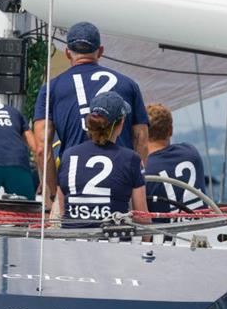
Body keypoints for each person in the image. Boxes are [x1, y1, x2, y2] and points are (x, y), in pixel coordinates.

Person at [34, 21, 149, 203]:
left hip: (73, 187)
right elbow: (141, 140)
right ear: (100, 51)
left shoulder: (51, 88)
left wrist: (55, 193)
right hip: (121, 184)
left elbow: (42, 149)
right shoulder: (129, 85)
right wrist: (137, 190)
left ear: (66, 52)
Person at [57, 91, 151, 228]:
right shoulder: (131, 159)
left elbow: (63, 212)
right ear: (121, 123)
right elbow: (142, 218)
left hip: (70, 242)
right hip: (113, 244)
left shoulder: (68, 156)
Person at [145, 103, 207, 220]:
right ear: (171, 130)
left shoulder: (144, 171)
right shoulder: (191, 152)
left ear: (143, 132)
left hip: (166, 236)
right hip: (202, 233)